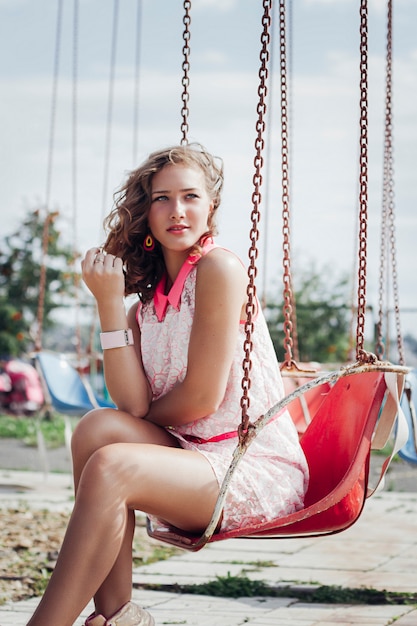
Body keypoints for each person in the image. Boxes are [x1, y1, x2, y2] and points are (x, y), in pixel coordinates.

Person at [27, 143, 309, 626]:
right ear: (146, 213)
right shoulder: (146, 308)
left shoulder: (219, 269)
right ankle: (118, 617)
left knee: (114, 461)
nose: (177, 211)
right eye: (161, 199)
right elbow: (129, 403)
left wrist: (138, 427)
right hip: (191, 453)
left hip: (249, 464)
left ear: (211, 207)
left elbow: (199, 397)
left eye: (190, 197)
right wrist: (109, 305)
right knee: (97, 428)